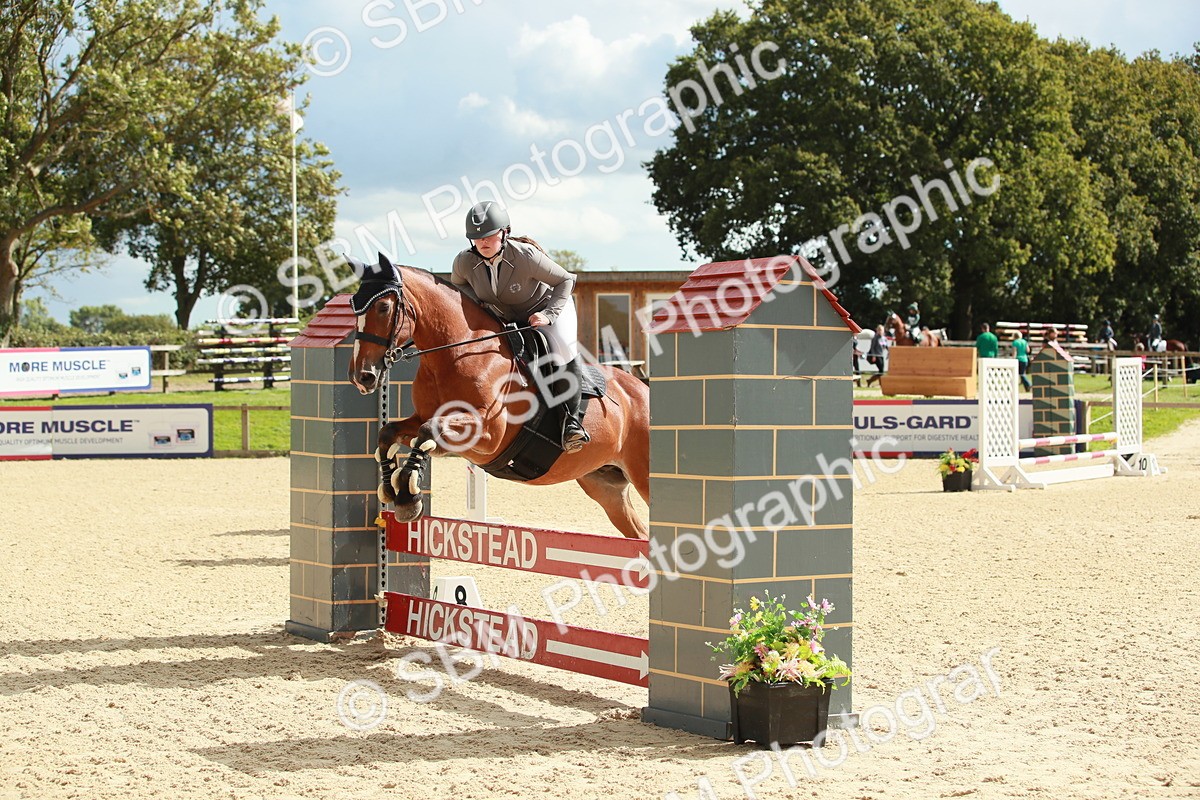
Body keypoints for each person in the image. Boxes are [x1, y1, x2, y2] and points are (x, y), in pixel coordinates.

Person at [450, 201, 589, 452]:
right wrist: (480, 306)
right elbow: (458, 287)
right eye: (477, 237)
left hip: (549, 308)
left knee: (562, 349)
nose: (483, 241)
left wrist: (548, 314)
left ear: (505, 232)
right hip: (507, 317)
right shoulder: (463, 262)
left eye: (490, 235)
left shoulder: (525, 255)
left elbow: (566, 280)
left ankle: (572, 423)